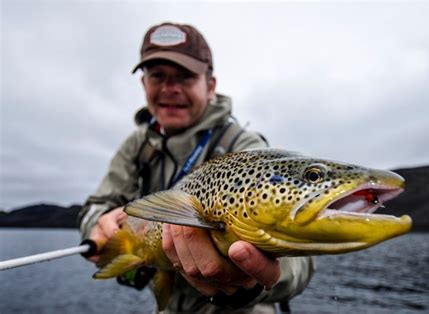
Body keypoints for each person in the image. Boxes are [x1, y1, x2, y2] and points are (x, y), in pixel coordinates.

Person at [79, 22, 314, 313]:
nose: (170, 88)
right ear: (144, 84)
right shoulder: (136, 146)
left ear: (210, 85)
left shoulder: (243, 146)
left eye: (185, 76)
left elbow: (300, 263)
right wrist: (98, 224)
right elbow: (96, 206)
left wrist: (250, 279)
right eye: (158, 76)